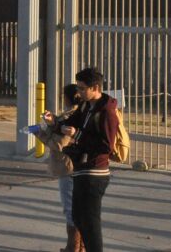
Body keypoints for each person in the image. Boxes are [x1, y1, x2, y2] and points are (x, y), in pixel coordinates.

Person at [56, 67, 119, 252]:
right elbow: (70, 122)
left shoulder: (107, 112)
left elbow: (106, 146)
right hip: (80, 170)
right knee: (77, 216)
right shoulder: (86, 106)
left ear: (95, 88)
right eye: (78, 88)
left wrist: (78, 135)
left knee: (91, 223)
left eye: (83, 88)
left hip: (95, 174)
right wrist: (55, 123)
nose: (79, 92)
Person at [37, 84, 83, 252]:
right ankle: (79, 247)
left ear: (66, 98)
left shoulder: (71, 116)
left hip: (67, 166)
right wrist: (53, 121)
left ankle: (73, 247)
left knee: (70, 208)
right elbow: (61, 128)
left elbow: (59, 143)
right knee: (76, 207)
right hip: (74, 165)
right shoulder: (78, 114)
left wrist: (40, 133)